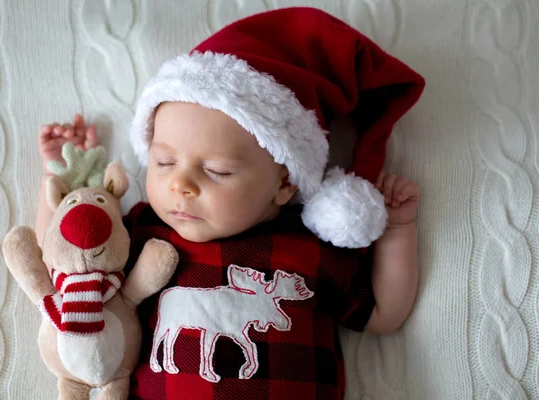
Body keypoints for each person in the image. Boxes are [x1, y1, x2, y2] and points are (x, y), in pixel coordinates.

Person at [35, 7, 424, 400]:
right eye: (164, 163)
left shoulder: (311, 248)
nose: (180, 184)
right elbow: (67, 261)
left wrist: (395, 231)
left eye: (217, 170)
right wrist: (61, 172)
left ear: (284, 183)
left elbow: (383, 315)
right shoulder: (145, 231)